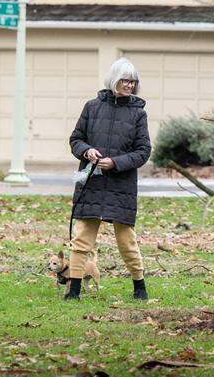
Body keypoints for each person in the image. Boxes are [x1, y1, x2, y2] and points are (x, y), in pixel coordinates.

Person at [63, 57, 152, 301]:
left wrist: (115, 163)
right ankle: (74, 291)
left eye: (133, 82)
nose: (129, 86)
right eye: (125, 80)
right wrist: (86, 151)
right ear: (114, 80)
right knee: (81, 238)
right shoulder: (92, 107)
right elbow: (75, 139)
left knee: (127, 241)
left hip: (120, 185)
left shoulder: (138, 114)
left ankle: (139, 287)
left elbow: (143, 151)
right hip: (91, 181)